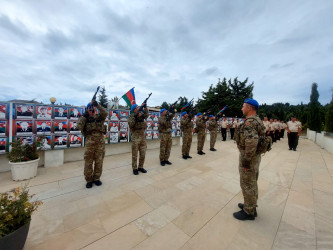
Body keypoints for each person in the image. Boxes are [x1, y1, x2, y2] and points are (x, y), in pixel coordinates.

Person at [234, 98, 265, 220]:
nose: (242, 108)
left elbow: (251, 143)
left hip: (249, 158)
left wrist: (246, 161)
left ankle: (249, 212)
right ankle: (250, 205)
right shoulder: (257, 120)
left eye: (243, 106)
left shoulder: (250, 123)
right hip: (255, 157)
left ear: (249, 108)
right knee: (251, 182)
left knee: (247, 183)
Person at [77, 101, 108, 189]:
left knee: (99, 161)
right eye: (90, 108)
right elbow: (78, 126)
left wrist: (97, 105)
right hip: (90, 143)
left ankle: (97, 178)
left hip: (100, 143)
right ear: (87, 110)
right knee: (88, 162)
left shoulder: (99, 117)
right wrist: (85, 115)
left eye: (93, 108)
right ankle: (89, 180)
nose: (92, 110)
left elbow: (105, 113)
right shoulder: (84, 119)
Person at [128, 104, 149, 175]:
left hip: (142, 136)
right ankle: (134, 168)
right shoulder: (131, 116)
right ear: (134, 109)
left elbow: (146, 115)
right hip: (135, 136)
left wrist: (145, 108)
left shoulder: (141, 115)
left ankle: (141, 167)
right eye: (137, 107)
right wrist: (136, 116)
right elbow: (131, 124)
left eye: (138, 107)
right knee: (135, 154)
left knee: (143, 153)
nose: (138, 108)